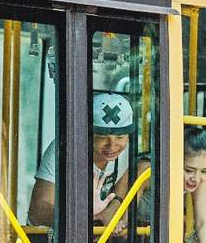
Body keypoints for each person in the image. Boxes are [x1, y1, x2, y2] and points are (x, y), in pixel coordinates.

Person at [28, 92, 134, 227]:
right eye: (101, 136)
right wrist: (80, 217)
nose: (112, 146)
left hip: (98, 237)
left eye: (120, 137)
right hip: (55, 239)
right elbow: (38, 210)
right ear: (87, 134)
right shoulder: (65, 149)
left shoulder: (129, 154)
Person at [182, 127, 206, 243]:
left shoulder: (200, 180)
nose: (196, 178)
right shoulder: (146, 171)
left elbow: (203, 221)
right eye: (189, 170)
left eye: (204, 171)